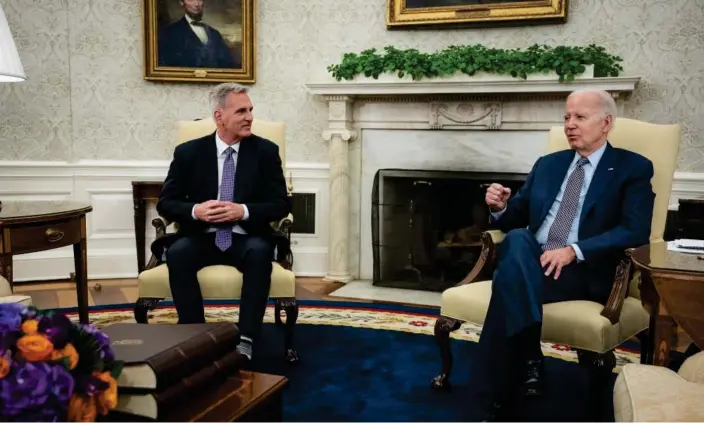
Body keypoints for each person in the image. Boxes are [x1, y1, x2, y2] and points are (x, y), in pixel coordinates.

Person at [476, 89, 654, 420]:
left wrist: (575, 250)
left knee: (507, 281)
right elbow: (519, 215)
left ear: (606, 123)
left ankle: (500, 395)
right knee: (516, 240)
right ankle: (528, 359)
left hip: (585, 272)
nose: (570, 125)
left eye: (580, 117)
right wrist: (501, 207)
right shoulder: (548, 165)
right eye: (566, 117)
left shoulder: (633, 168)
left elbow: (634, 230)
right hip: (534, 260)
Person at [156, 83, 290, 361]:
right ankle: (196, 335)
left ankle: (246, 338)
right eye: (241, 111)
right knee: (179, 253)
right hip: (201, 234)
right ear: (220, 117)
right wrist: (196, 211)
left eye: (251, 110)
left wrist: (243, 211)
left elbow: (281, 205)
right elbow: (166, 203)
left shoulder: (265, 152)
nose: (250, 117)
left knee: (260, 251)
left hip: (246, 235)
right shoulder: (188, 153)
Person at [158, 0, 240, 69]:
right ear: (181, 2)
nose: (197, 4)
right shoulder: (170, 32)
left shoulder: (215, 34)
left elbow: (227, 63)